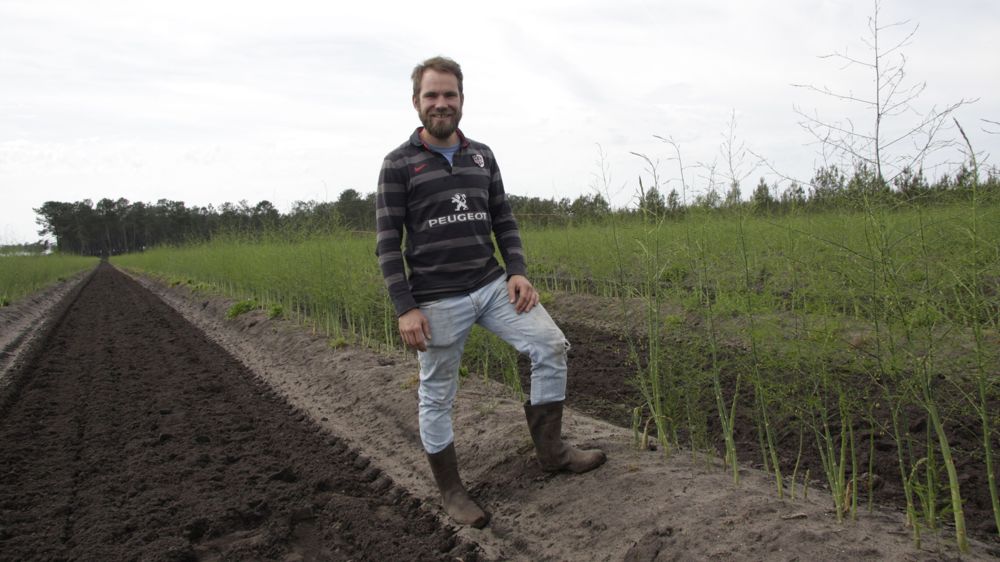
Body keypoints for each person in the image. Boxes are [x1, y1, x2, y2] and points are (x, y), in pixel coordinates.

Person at [375, 56, 606, 528]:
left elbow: (503, 218)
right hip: (437, 299)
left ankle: (553, 452)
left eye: (449, 95)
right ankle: (452, 491)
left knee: (550, 344)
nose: (441, 104)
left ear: (461, 99)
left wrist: (517, 271)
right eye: (431, 96)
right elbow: (386, 245)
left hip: (492, 285)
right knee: (436, 394)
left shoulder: (482, 155)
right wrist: (406, 308)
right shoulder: (398, 165)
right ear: (416, 102)